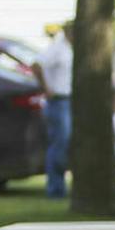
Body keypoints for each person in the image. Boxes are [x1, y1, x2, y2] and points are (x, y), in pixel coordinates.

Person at [36, 23, 74, 198]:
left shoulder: (70, 48)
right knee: (59, 143)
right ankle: (55, 188)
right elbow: (36, 65)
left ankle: (60, 187)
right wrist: (46, 89)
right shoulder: (57, 48)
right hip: (58, 101)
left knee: (64, 144)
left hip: (69, 100)